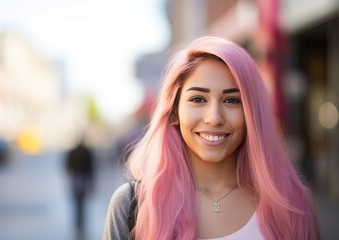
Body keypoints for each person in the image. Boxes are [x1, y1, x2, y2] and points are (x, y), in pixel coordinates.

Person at [103, 36, 320, 240]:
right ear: (174, 111)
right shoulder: (132, 205)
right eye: (198, 99)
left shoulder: (292, 204)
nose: (214, 118)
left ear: (252, 114)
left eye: (232, 100)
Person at [66, 138, 94, 239]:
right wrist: (91, 183)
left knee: (77, 206)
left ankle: (78, 229)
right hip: (83, 180)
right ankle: (81, 229)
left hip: (75, 180)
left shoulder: (72, 151)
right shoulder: (87, 152)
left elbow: (67, 166)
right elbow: (91, 168)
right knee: (82, 206)